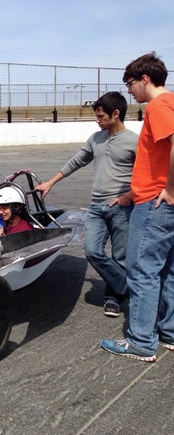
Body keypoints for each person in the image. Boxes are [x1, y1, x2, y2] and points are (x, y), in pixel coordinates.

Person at [35, 92, 138, 318]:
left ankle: (113, 298)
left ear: (116, 114)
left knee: (120, 257)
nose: (97, 120)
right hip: (96, 207)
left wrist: (129, 196)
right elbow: (77, 161)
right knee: (92, 251)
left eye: (101, 116)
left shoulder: (134, 141)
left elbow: (146, 175)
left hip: (123, 208)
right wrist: (50, 182)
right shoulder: (96, 138)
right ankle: (127, 288)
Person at [101, 52, 174, 362]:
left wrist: (169, 190)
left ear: (145, 79)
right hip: (156, 199)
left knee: (141, 270)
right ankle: (169, 332)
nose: (129, 90)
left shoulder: (159, 105)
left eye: (130, 83)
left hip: (155, 203)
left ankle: (142, 342)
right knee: (167, 270)